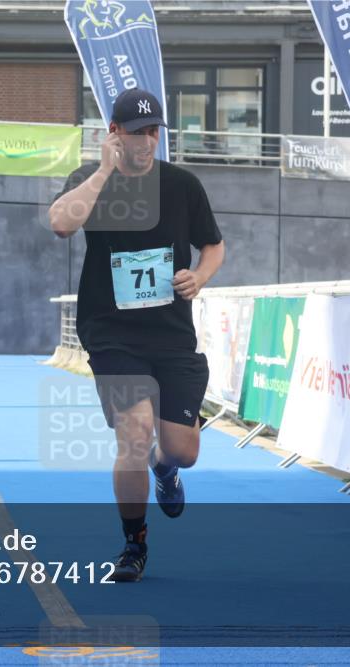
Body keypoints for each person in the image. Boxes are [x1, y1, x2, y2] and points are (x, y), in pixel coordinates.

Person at [48, 89, 225, 582]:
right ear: (114, 134)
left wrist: (201, 276)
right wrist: (104, 171)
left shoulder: (183, 184)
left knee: (181, 452)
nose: (147, 142)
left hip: (170, 334)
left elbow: (212, 245)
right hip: (111, 332)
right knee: (134, 431)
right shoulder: (89, 179)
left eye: (154, 132)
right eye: (136, 132)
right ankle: (133, 545)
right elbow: (60, 224)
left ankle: (163, 471)